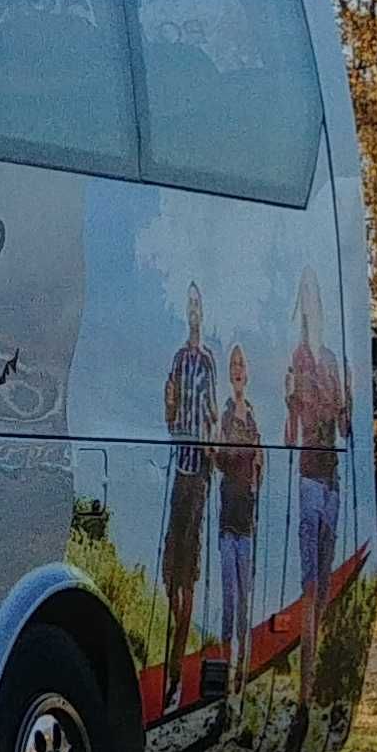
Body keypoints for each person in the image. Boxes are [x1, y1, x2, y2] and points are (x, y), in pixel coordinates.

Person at [285, 277, 350, 670]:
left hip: (333, 479)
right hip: (309, 478)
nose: (312, 310)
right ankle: (307, 667)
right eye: (305, 302)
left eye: (316, 301)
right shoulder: (299, 358)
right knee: (310, 583)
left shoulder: (329, 359)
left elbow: (345, 428)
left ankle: (317, 667)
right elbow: (292, 431)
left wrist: (345, 404)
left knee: (325, 583)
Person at [161, 287, 219, 713]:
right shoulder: (179, 359)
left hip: (199, 472)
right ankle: (173, 656)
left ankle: (177, 673)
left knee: (188, 572)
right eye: (191, 305)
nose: (194, 311)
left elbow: (211, 411)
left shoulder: (208, 362)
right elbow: (171, 409)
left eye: (199, 306)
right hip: (178, 469)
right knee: (169, 571)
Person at [215, 346, 267, 697]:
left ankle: (243, 678)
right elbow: (222, 459)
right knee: (229, 601)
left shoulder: (252, 415)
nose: (237, 370)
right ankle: (222, 673)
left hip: (247, 520)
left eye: (241, 364)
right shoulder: (224, 414)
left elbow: (258, 463)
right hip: (226, 520)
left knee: (246, 602)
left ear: (246, 374)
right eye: (233, 365)